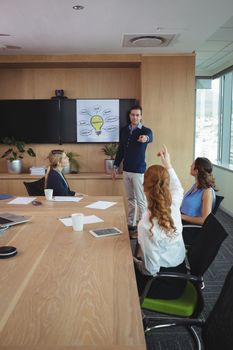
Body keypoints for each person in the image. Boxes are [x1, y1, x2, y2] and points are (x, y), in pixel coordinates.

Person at [133, 145, 186, 299]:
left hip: (162, 284)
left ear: (144, 188)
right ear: (166, 186)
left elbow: (151, 270)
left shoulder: (146, 226)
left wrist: (136, 263)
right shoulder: (174, 207)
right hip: (180, 276)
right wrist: (167, 165)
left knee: (120, 276)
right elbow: (178, 189)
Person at [112, 105, 153, 234]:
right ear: (129, 116)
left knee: (141, 200)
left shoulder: (145, 131)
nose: (135, 117)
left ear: (141, 116)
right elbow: (121, 150)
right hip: (126, 170)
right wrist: (115, 166)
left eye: (137, 115)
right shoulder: (124, 130)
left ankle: (142, 226)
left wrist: (145, 139)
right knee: (130, 199)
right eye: (132, 115)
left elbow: (150, 137)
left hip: (138, 171)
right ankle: (131, 224)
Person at [180, 157, 217, 245]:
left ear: (197, 171)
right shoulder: (195, 185)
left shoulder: (207, 191)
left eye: (192, 165)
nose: (190, 166)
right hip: (182, 221)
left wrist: (181, 216)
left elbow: (204, 220)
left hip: (189, 228)